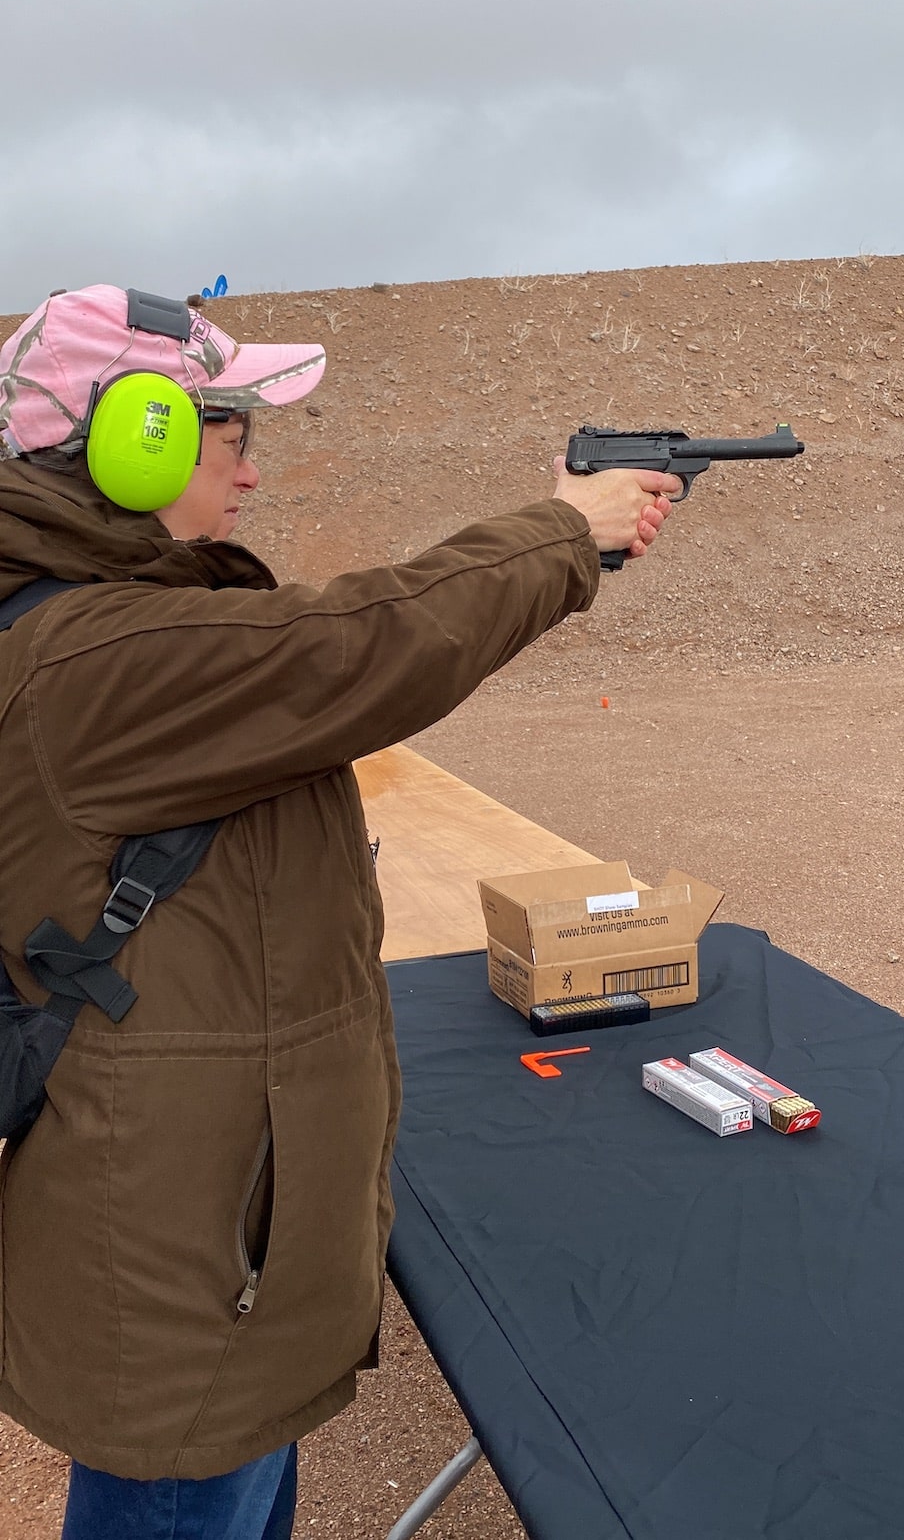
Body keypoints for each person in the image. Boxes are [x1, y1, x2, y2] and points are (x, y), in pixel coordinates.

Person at [0, 284, 681, 1540]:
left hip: (201, 1217)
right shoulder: (81, 653)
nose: (251, 470)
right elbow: (354, 648)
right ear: (130, 432)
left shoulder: (100, 624)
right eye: (233, 431)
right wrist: (562, 532)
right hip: (179, 1243)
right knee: (183, 1488)